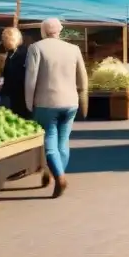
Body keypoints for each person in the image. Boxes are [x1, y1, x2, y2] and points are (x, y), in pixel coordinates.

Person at [25, 18, 88, 198]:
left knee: (50, 140)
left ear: (43, 31)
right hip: (70, 102)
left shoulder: (36, 48)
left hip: (47, 102)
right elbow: (83, 79)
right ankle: (56, 173)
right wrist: (83, 100)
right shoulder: (73, 49)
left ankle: (59, 177)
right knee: (63, 141)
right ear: (60, 30)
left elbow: (31, 80)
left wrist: (29, 102)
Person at [0, 27, 31, 120]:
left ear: (11, 39)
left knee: (19, 118)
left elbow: (19, 74)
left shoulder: (23, 53)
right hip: (11, 94)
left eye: (4, 39)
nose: (3, 42)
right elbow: (8, 72)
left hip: (20, 95)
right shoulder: (10, 53)